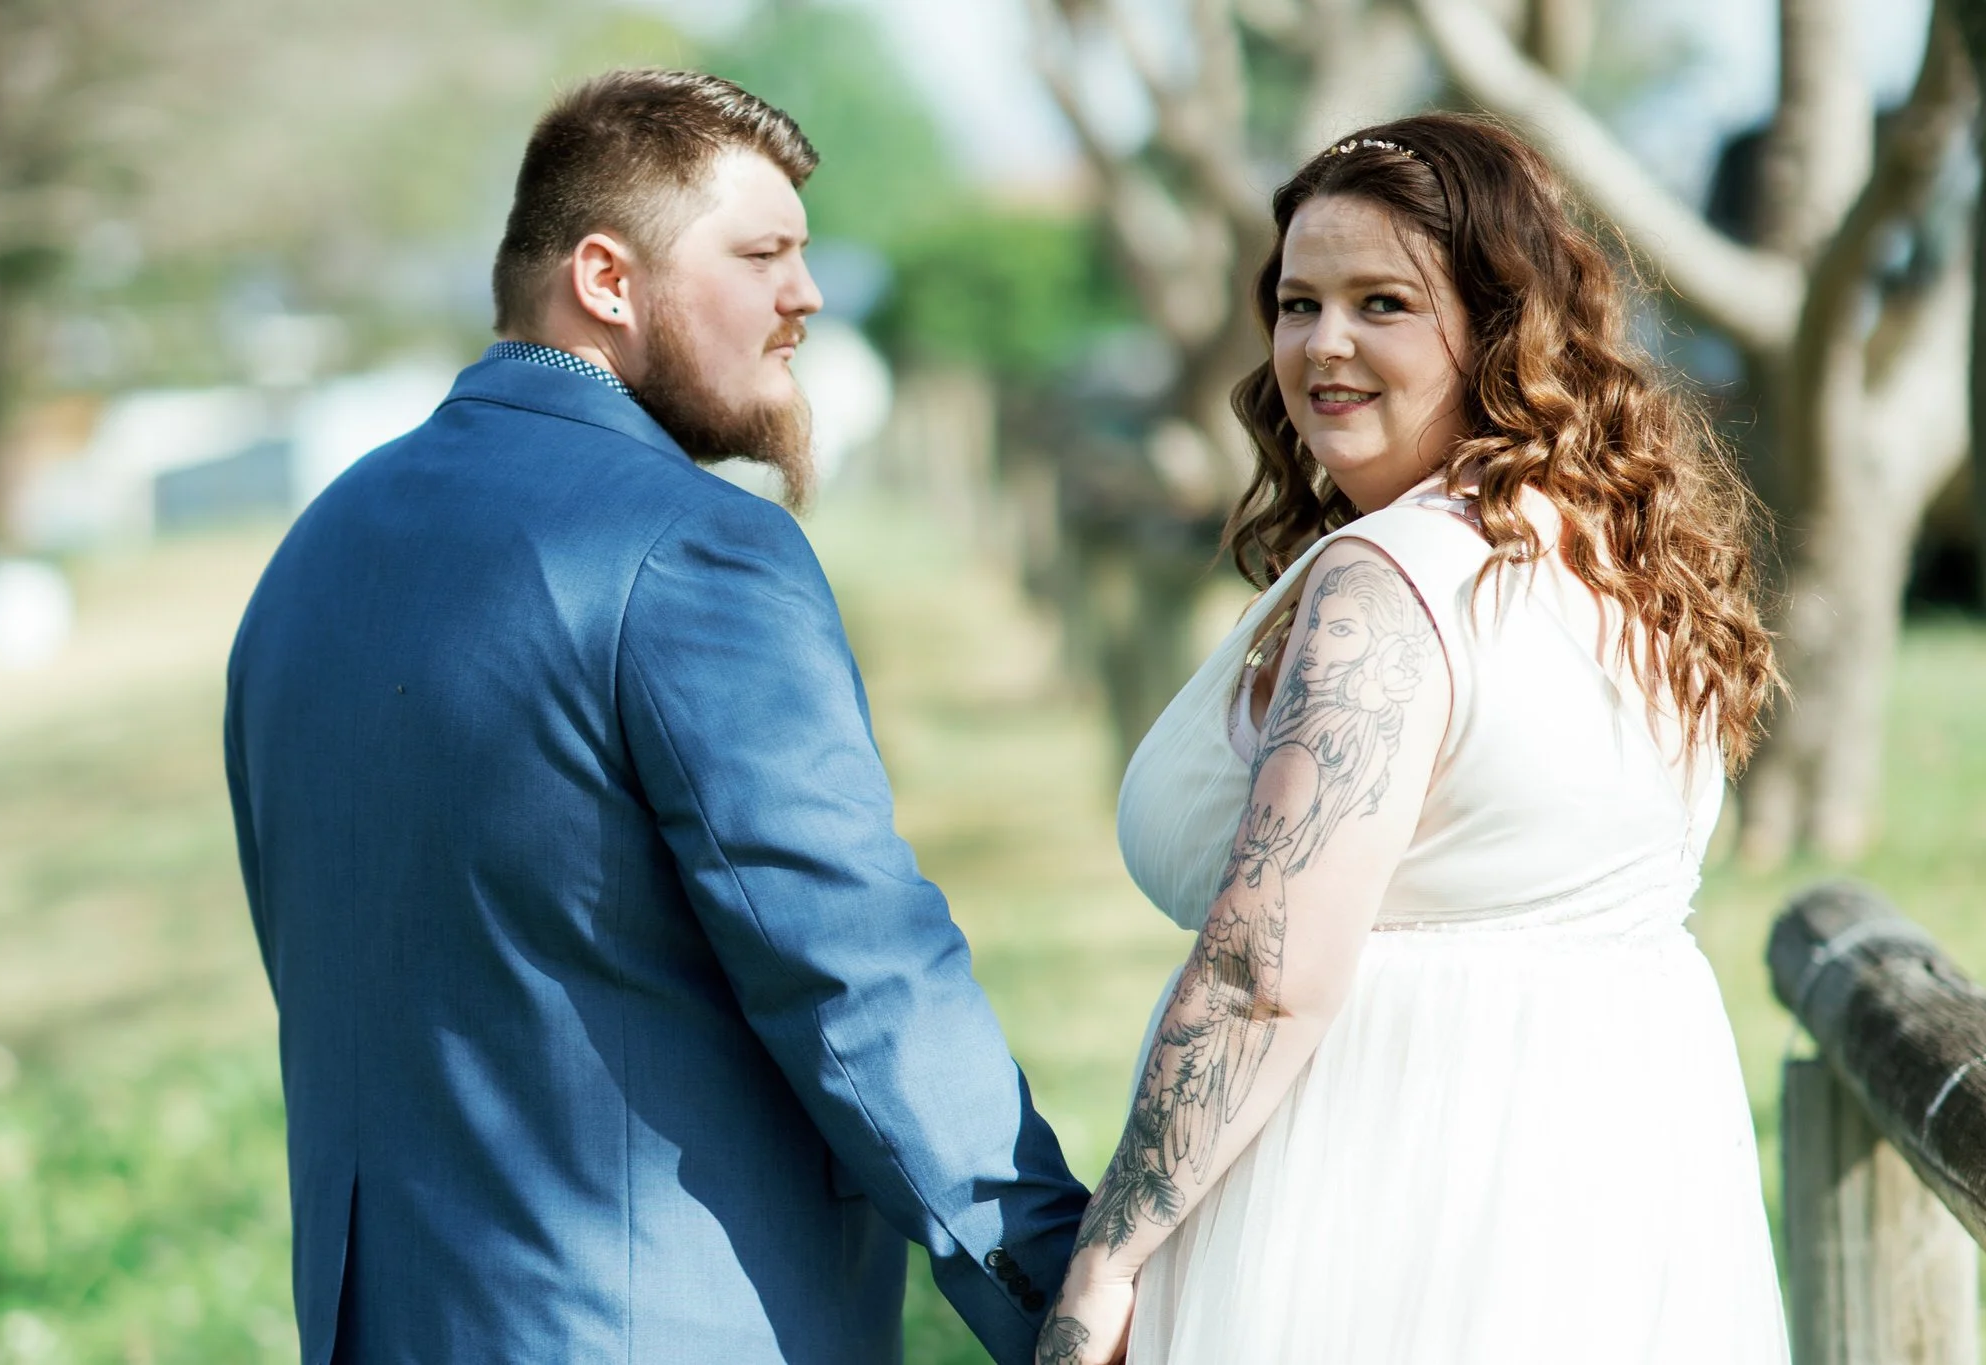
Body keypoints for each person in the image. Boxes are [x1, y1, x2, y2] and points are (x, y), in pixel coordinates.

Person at [223, 68, 1087, 1365]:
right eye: (761, 255)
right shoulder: (698, 554)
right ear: (608, 281)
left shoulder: (307, 560)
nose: (804, 295)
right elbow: (859, 978)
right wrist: (1066, 1295)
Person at [1038, 114, 1789, 1365]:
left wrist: (1102, 1267)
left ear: (1497, 324)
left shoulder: (1391, 582)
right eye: (1295, 304)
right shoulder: (1619, 556)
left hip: (1390, 1201)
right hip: (1608, 1199)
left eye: (1380, 303)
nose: (1321, 345)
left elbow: (1258, 972)